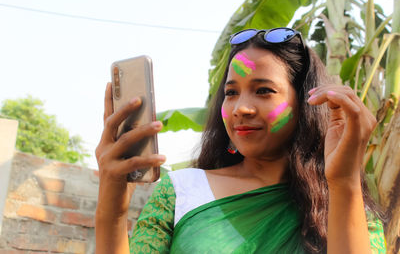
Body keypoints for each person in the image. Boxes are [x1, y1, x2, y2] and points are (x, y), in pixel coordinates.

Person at [95, 28, 386, 253]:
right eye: (231, 93)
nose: (240, 108)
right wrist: (112, 209)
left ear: (306, 104)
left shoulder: (347, 208)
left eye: (263, 91)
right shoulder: (182, 192)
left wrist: (344, 181)